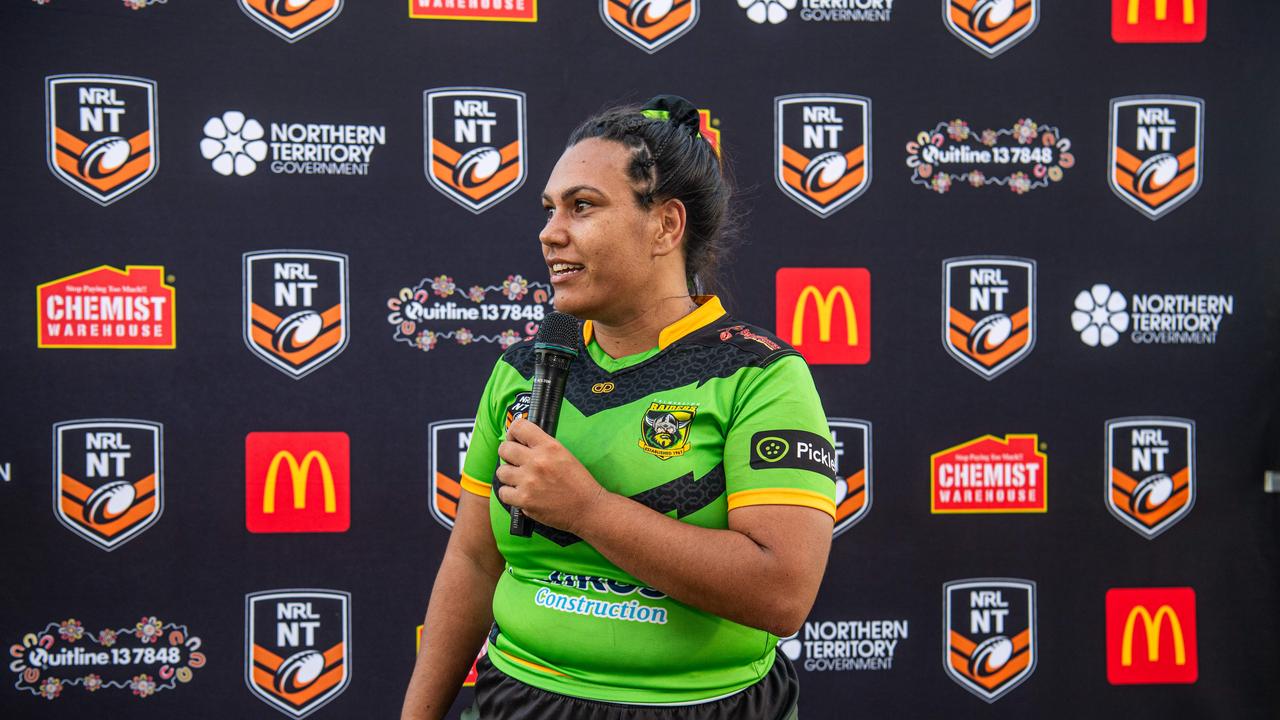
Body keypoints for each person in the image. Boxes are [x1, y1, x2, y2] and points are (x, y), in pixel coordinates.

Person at [401, 95, 836, 720]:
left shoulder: (760, 376)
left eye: (583, 206)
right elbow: (472, 562)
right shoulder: (523, 369)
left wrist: (588, 510)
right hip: (518, 699)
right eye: (549, 210)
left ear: (666, 225)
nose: (551, 232)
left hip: (704, 706)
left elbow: (782, 594)